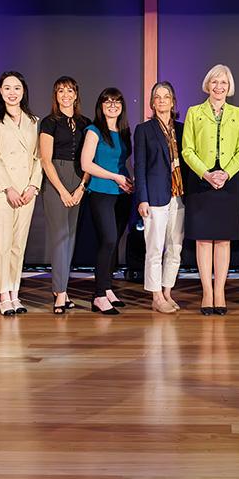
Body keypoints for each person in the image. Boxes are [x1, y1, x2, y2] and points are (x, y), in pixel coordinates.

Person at [181, 64, 239, 315]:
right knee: (203, 240)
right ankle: (206, 293)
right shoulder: (194, 112)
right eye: (215, 82)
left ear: (229, 87)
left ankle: (220, 291)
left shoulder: (238, 113)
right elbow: (187, 149)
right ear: (207, 85)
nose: (219, 87)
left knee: (222, 240)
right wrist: (206, 174)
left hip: (228, 184)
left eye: (223, 83)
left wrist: (227, 173)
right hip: (201, 182)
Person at [0, 71, 41, 317]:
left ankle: (15, 292)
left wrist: (32, 186)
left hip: (27, 191)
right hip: (1, 191)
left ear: (23, 91)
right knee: (3, 244)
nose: (12, 92)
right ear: (0, 91)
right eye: (7, 88)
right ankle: (3, 295)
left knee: (19, 245)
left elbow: (39, 157)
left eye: (17, 88)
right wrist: (9, 187)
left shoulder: (34, 121)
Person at [39, 77, 91, 314]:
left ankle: (63, 290)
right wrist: (62, 191)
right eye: (61, 91)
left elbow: (89, 160)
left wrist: (81, 188)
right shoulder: (49, 122)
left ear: (76, 94)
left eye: (69, 90)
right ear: (55, 95)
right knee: (60, 238)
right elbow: (45, 160)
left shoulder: (85, 123)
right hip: (56, 180)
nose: (65, 95)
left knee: (70, 239)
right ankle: (59, 293)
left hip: (78, 179)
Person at [80, 87, 133, 315]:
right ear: (101, 106)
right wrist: (115, 177)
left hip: (122, 194)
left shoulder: (123, 132)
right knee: (108, 241)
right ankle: (99, 296)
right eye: (108, 102)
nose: (113, 105)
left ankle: (108, 288)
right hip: (101, 191)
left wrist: (128, 181)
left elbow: (121, 163)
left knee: (115, 243)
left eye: (117, 101)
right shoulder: (93, 131)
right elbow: (86, 164)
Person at [134, 81, 186, 314]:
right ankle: (155, 296)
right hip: (154, 196)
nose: (162, 100)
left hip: (180, 196)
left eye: (167, 96)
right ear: (152, 102)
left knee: (175, 247)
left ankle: (167, 291)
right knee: (155, 248)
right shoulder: (144, 129)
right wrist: (141, 199)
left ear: (173, 101)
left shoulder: (183, 128)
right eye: (158, 96)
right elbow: (140, 166)